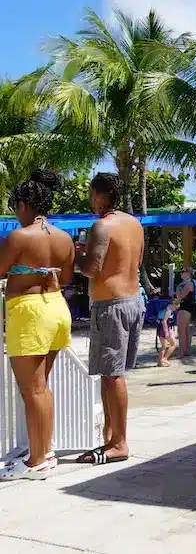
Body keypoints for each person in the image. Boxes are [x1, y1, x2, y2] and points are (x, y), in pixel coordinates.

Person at [0, 170, 75, 481]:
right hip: (57, 307)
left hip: (29, 311)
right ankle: (45, 451)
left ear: (24, 205)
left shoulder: (20, 236)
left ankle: (36, 462)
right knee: (41, 387)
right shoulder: (64, 237)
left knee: (32, 390)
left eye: (15, 207)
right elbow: (68, 278)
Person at [75, 173, 146, 466]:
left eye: (92, 194)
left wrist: (74, 255)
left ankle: (119, 443)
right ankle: (110, 436)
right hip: (134, 300)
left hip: (111, 306)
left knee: (113, 375)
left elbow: (92, 269)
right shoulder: (134, 224)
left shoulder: (101, 226)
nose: (91, 200)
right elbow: (135, 262)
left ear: (101, 195)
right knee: (110, 373)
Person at [174, 266, 196, 358]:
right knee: (186, 330)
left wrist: (177, 289)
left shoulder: (188, 284)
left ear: (189, 274)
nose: (182, 274)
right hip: (188, 309)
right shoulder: (188, 283)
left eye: (184, 272)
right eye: (182, 272)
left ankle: (181, 352)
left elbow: (180, 296)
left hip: (185, 309)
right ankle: (186, 350)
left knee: (181, 330)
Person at [156, 299, 179, 366]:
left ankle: (159, 363)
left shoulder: (164, 309)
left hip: (160, 329)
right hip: (165, 329)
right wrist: (166, 333)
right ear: (173, 305)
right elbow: (164, 321)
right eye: (176, 308)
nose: (175, 310)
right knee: (174, 344)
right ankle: (165, 358)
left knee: (163, 346)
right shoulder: (168, 310)